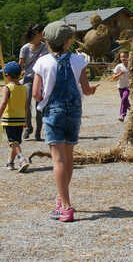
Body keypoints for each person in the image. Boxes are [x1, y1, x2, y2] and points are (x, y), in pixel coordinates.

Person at [33, 21, 99, 222]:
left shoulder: (42, 62)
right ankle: (62, 199)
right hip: (74, 112)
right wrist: (92, 89)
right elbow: (86, 90)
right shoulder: (79, 61)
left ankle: (66, 206)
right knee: (68, 158)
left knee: (58, 160)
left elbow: (36, 94)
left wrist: (44, 98)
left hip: (53, 112)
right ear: (68, 41)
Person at [0, 61, 30, 172]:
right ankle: (10, 163)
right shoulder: (23, 88)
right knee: (15, 141)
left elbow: (3, 103)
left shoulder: (7, 88)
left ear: (7, 75)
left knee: (13, 142)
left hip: (10, 119)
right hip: (20, 119)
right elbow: (26, 105)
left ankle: (22, 159)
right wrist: (25, 120)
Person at [19, 24, 48, 140]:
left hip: (40, 78)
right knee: (26, 102)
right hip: (28, 78)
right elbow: (20, 64)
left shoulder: (45, 47)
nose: (43, 36)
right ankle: (28, 127)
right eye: (41, 33)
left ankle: (38, 132)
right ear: (36, 34)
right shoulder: (25, 48)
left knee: (38, 106)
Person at [111, 50, 130, 121]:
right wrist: (119, 74)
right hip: (120, 87)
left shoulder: (131, 66)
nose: (123, 58)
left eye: (125, 57)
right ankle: (130, 107)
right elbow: (113, 78)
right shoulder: (118, 66)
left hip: (128, 87)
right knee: (125, 101)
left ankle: (122, 115)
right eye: (122, 57)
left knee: (124, 99)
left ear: (129, 57)